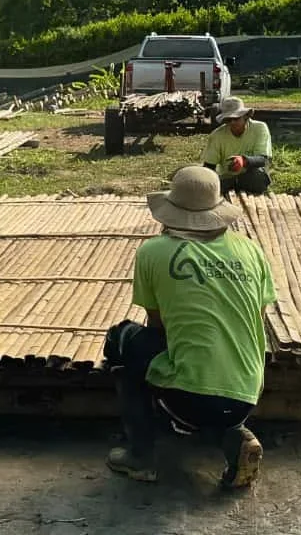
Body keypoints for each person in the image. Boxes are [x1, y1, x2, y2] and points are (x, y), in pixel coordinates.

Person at [102, 165, 271, 490]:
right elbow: (257, 316)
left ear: (171, 210)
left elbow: (159, 327)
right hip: (248, 392)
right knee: (211, 375)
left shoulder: (153, 251)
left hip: (188, 399)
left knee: (123, 342)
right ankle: (232, 435)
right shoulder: (251, 251)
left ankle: (141, 456)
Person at [201, 96, 272, 195]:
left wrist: (244, 161)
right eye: (228, 120)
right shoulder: (217, 135)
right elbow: (209, 166)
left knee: (258, 176)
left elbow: (263, 159)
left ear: (246, 116)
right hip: (227, 178)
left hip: (250, 177)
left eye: (236, 118)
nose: (232, 122)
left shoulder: (259, 128)